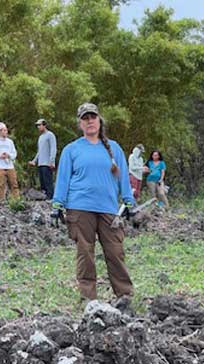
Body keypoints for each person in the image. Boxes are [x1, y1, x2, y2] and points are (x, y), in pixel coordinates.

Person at [52, 103, 136, 300]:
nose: (89, 121)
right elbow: (63, 179)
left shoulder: (114, 148)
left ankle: (125, 295)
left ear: (99, 120)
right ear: (80, 124)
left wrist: (128, 201)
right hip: (79, 208)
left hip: (108, 208)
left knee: (115, 252)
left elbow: (123, 178)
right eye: (85, 118)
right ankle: (89, 299)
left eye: (93, 117)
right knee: (85, 254)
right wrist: (57, 204)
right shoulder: (71, 149)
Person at [0, 122, 20, 202]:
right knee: (1, 184)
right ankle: (0, 200)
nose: (6, 132)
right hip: (0, 166)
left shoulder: (10, 142)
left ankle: (16, 200)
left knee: (14, 183)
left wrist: (9, 155)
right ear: (0, 131)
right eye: (4, 130)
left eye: (6, 130)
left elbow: (14, 153)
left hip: (10, 166)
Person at [29, 118, 57, 200]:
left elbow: (53, 148)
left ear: (44, 125)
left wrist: (52, 161)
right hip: (41, 163)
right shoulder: (40, 137)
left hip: (47, 163)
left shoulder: (50, 135)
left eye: (39, 125)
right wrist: (34, 161)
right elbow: (39, 151)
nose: (38, 127)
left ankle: (51, 198)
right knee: (42, 182)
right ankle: (44, 197)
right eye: (37, 125)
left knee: (48, 181)